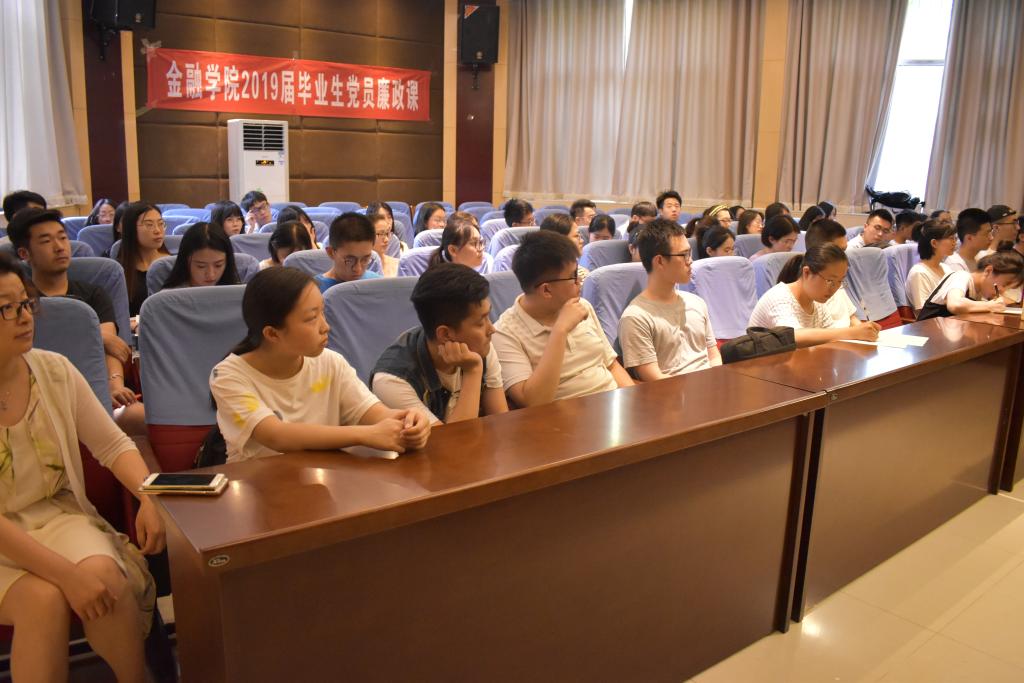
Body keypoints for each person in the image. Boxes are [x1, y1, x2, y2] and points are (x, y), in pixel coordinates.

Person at [0, 253, 163, 682]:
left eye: (26, 303)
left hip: (53, 513)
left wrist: (148, 495)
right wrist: (66, 576)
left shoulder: (53, 369)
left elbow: (111, 443)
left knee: (104, 577)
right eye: (6, 308)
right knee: (43, 601)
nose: (24, 317)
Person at [209, 267, 432, 463]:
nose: (325, 327)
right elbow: (276, 436)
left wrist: (408, 422)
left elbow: (371, 412)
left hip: (322, 481)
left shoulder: (330, 362)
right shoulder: (227, 376)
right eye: (311, 318)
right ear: (272, 334)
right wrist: (365, 434)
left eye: (322, 312)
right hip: (258, 484)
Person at [8, 208, 136, 412]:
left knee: (140, 418)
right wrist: (98, 336)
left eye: (62, 238)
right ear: (24, 254)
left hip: (93, 392)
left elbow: (111, 347)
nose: (59, 247)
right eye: (46, 241)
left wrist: (114, 385)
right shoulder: (18, 302)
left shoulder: (94, 294)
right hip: (32, 397)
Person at [492, 231, 633, 407]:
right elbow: (533, 402)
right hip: (561, 419)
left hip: (611, 407)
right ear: (546, 290)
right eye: (573, 277)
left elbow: (611, 365)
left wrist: (634, 401)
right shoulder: (504, 332)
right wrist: (560, 330)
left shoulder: (581, 306)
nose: (580, 282)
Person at [371, 263, 508, 424]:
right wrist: (473, 371)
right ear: (445, 334)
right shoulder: (393, 381)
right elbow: (452, 439)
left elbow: (501, 423)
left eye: (488, 316)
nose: (492, 329)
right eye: (480, 322)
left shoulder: (479, 346)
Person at [618, 220, 720, 380]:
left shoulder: (697, 302)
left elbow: (713, 356)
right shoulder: (636, 317)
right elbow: (653, 378)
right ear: (660, 261)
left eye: (690, 253)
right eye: (684, 255)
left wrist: (715, 382)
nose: (690, 261)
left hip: (710, 385)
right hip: (670, 392)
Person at [749, 244, 880, 346]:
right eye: (830, 281)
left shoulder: (817, 304)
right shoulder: (780, 297)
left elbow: (832, 335)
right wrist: (853, 332)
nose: (834, 289)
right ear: (806, 273)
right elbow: (794, 336)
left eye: (840, 281)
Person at [779, 219, 858, 328]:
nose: (843, 257)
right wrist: (853, 333)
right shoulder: (785, 296)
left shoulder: (834, 281)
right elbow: (794, 335)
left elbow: (850, 317)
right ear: (821, 251)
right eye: (838, 252)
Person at [917, 249, 1024, 319]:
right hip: (926, 338)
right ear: (988, 271)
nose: (1002, 291)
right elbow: (955, 304)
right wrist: (990, 306)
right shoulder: (961, 276)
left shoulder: (978, 291)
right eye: (1004, 285)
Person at [116, 202, 170, 318]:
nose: (158, 230)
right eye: (149, 225)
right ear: (131, 229)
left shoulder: (172, 264)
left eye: (161, 224)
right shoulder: (118, 270)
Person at [315, 213, 381, 293]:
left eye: (365, 259)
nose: (358, 269)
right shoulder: (313, 290)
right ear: (331, 253)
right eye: (349, 260)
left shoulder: (377, 283)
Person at [161, 222, 240, 289]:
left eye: (218, 265)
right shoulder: (169, 298)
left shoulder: (237, 292)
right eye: (201, 266)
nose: (211, 275)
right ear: (185, 261)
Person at [906, 220, 956, 312]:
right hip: (933, 320)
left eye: (955, 238)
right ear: (934, 243)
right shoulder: (919, 273)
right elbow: (923, 312)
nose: (954, 242)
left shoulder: (946, 268)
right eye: (951, 238)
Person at [539, 213, 588, 281]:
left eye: (580, 236)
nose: (582, 241)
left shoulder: (582, 274)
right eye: (577, 236)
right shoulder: (538, 275)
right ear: (559, 241)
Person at [945, 208, 993, 272]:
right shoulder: (954, 265)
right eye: (986, 234)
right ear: (969, 238)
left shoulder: (981, 258)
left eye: (990, 233)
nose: (991, 238)